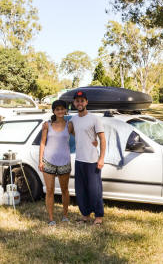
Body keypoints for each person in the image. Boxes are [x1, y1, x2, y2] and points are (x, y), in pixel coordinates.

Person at [70, 90, 106, 225]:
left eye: (82, 101)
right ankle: (85, 215)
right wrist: (86, 139)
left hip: (92, 160)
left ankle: (98, 216)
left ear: (86, 102)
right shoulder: (73, 119)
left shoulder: (94, 118)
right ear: (74, 103)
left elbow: (102, 139)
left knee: (94, 189)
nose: (80, 103)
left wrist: (101, 158)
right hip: (79, 159)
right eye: (77, 101)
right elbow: (74, 132)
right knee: (81, 190)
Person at [39, 100, 73, 226]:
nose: (60, 111)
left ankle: (65, 216)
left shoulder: (69, 125)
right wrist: (40, 160)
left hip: (64, 162)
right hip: (48, 161)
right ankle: (51, 218)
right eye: (57, 109)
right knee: (49, 190)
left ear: (65, 110)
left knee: (65, 190)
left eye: (62, 109)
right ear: (53, 111)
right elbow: (42, 143)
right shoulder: (47, 125)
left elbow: (81, 136)